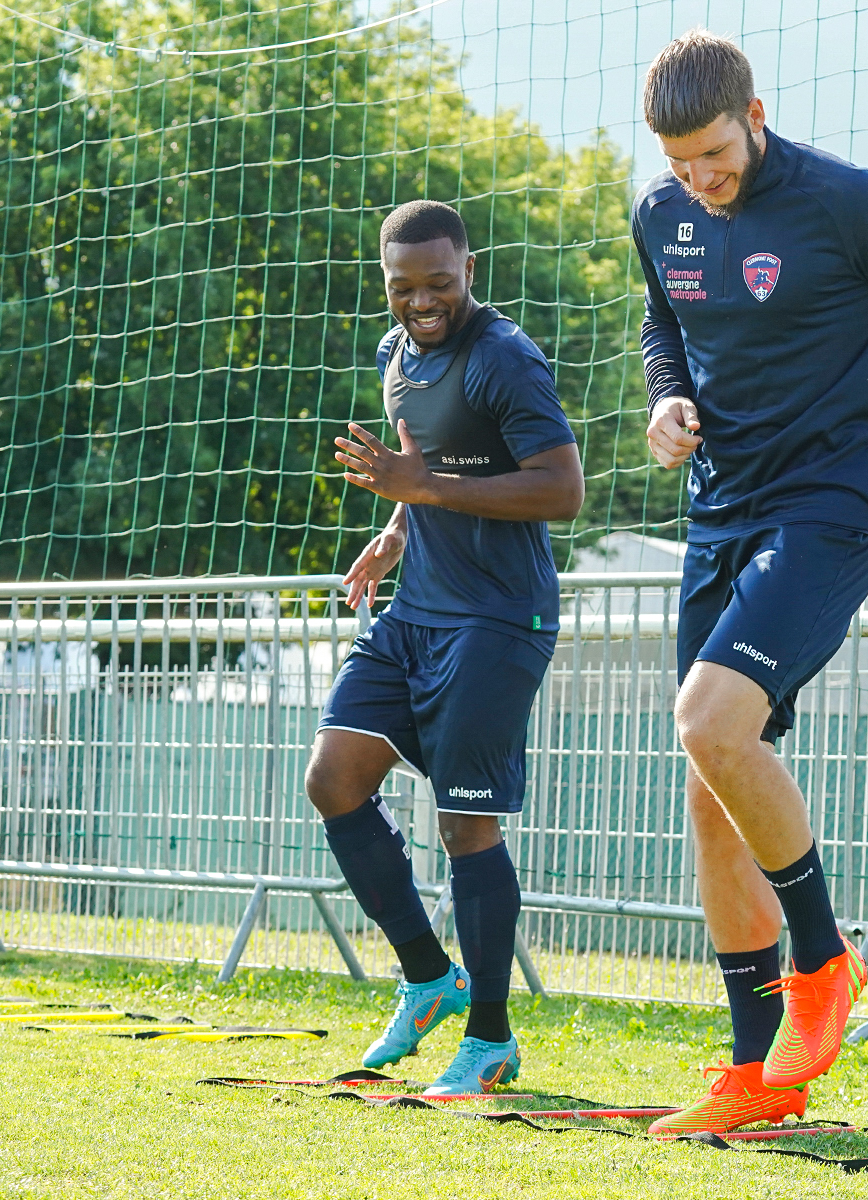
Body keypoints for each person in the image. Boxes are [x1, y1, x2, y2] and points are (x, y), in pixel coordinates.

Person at [632, 31, 868, 1134]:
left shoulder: (850, 201)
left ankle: (826, 959)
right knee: (708, 776)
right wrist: (665, 397)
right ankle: (757, 1080)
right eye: (678, 160)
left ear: (753, 111)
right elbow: (663, 325)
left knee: (709, 720)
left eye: (711, 152)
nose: (698, 176)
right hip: (719, 510)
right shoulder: (660, 214)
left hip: (826, 510)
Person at [305, 200, 583, 1095]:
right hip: (416, 609)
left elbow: (562, 489)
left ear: (470, 269)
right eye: (403, 287)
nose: (421, 301)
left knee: (465, 822)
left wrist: (424, 485)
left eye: (438, 282)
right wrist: (395, 526)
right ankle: (430, 977)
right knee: (333, 776)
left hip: (498, 619)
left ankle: (491, 1038)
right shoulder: (395, 355)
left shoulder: (505, 357)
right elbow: (422, 463)